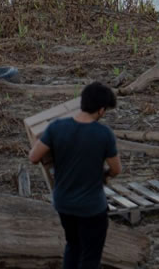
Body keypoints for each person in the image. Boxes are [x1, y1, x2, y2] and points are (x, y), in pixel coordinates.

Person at [28, 82, 121, 269]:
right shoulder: (104, 134)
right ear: (101, 110)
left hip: (64, 203)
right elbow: (116, 168)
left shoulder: (56, 128)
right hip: (92, 207)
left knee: (72, 246)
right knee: (90, 256)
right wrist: (106, 174)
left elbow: (33, 157)